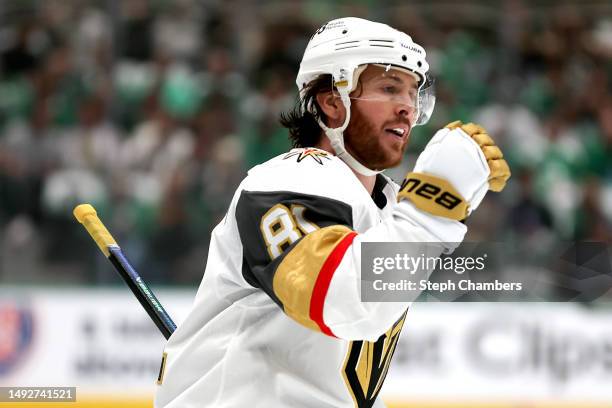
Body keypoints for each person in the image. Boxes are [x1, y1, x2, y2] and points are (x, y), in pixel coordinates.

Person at [154, 17, 510, 408]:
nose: (407, 108)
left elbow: (328, 368)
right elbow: (338, 300)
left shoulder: (387, 206)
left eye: (413, 94)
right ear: (332, 100)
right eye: (390, 88)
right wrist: (429, 212)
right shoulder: (289, 180)